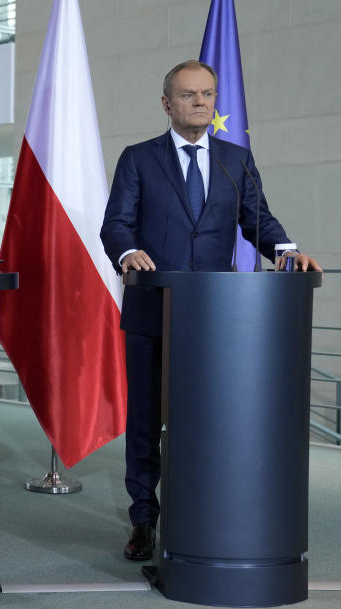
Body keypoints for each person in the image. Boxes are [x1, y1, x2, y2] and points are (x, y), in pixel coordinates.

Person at [100, 60, 321, 563]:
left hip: (217, 322)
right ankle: (142, 520)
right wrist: (127, 252)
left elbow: (258, 219)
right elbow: (116, 224)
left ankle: (201, 511)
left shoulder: (234, 160)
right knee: (145, 422)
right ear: (166, 104)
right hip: (153, 313)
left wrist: (287, 252)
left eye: (207, 94)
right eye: (189, 95)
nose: (201, 102)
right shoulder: (138, 158)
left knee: (206, 420)